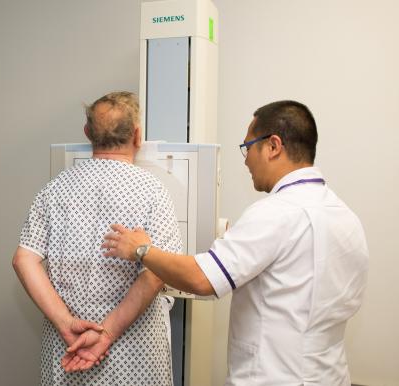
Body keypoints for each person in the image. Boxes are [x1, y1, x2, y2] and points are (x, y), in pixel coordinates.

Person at [101, 100, 369, 385]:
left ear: (273, 146)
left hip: (273, 377)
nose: (246, 159)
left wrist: (141, 249)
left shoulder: (276, 213)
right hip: (330, 376)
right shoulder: (346, 217)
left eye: (248, 147)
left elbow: (202, 279)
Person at [13, 91, 182, 385]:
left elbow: (23, 259)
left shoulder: (54, 190)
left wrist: (66, 325)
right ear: (137, 136)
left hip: (69, 347)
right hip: (134, 353)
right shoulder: (153, 192)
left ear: (88, 132)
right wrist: (108, 333)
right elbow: (156, 273)